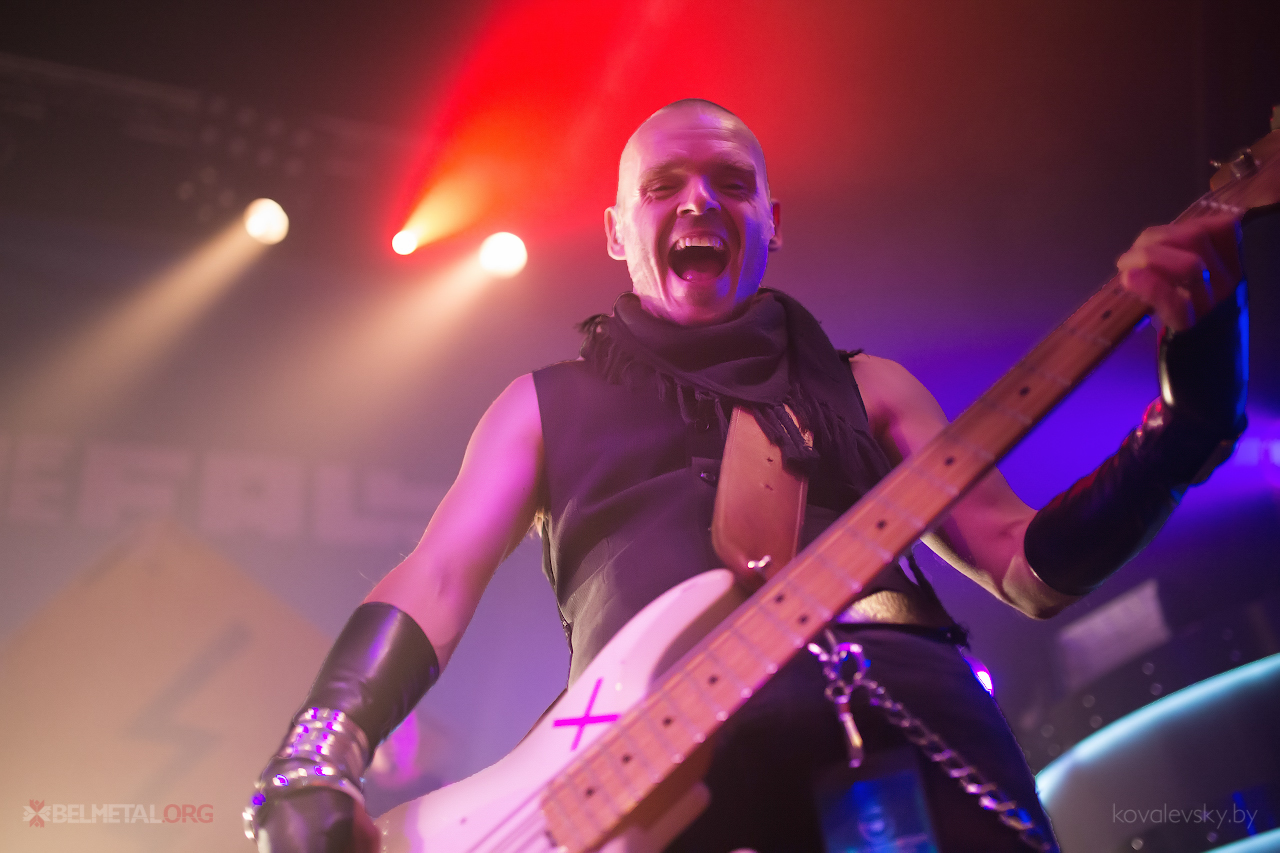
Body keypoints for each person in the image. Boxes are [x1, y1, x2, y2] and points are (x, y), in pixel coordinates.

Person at [244, 99, 1247, 852]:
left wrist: (1191, 411)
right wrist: (318, 750)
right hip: (647, 777)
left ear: (773, 217)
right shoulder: (538, 405)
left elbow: (1022, 566)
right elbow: (435, 580)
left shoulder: (869, 387)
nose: (698, 202)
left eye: (729, 183)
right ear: (615, 232)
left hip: (905, 725)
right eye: (663, 186)